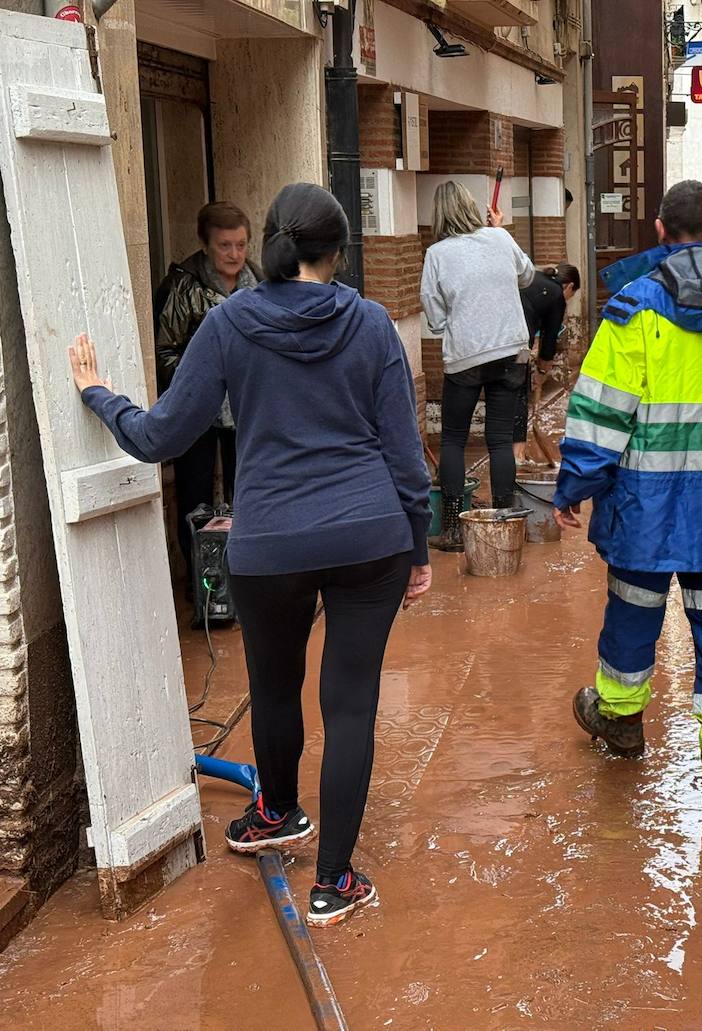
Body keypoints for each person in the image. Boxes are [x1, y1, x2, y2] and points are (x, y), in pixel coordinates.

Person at [70, 182, 432, 927]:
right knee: (351, 702)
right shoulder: (368, 324)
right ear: (338, 251)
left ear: (268, 242)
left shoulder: (230, 322)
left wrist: (98, 393)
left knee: (273, 685)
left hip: (269, 544)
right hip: (371, 537)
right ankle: (335, 881)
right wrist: (418, 547)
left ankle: (279, 813)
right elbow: (405, 457)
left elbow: (160, 436)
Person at [552, 180, 702, 811]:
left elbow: (601, 409)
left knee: (634, 610)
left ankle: (623, 722)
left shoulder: (635, 308)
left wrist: (577, 481)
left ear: (660, 231)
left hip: (645, 504)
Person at [153, 201, 261, 594]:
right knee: (194, 498)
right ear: (205, 245)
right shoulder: (183, 286)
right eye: (224, 246)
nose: (234, 254)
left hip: (246, 411)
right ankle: (202, 587)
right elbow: (164, 349)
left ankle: (244, 581)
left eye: (241, 245)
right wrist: (200, 381)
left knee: (246, 493)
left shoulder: (259, 282)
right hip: (197, 412)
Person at [421, 181, 536, 551]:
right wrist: (497, 232)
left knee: (453, 438)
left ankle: (454, 529)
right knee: (500, 439)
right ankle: (503, 519)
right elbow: (527, 275)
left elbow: (435, 317)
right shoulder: (499, 238)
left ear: (438, 215)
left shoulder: (437, 254)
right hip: (510, 350)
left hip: (467, 356)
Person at [515, 263, 582, 468]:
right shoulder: (556, 295)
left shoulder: (532, 278)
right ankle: (517, 455)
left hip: (493, 338)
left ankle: (513, 454)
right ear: (568, 286)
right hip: (514, 344)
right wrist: (542, 371)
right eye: (572, 294)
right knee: (517, 397)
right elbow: (549, 339)